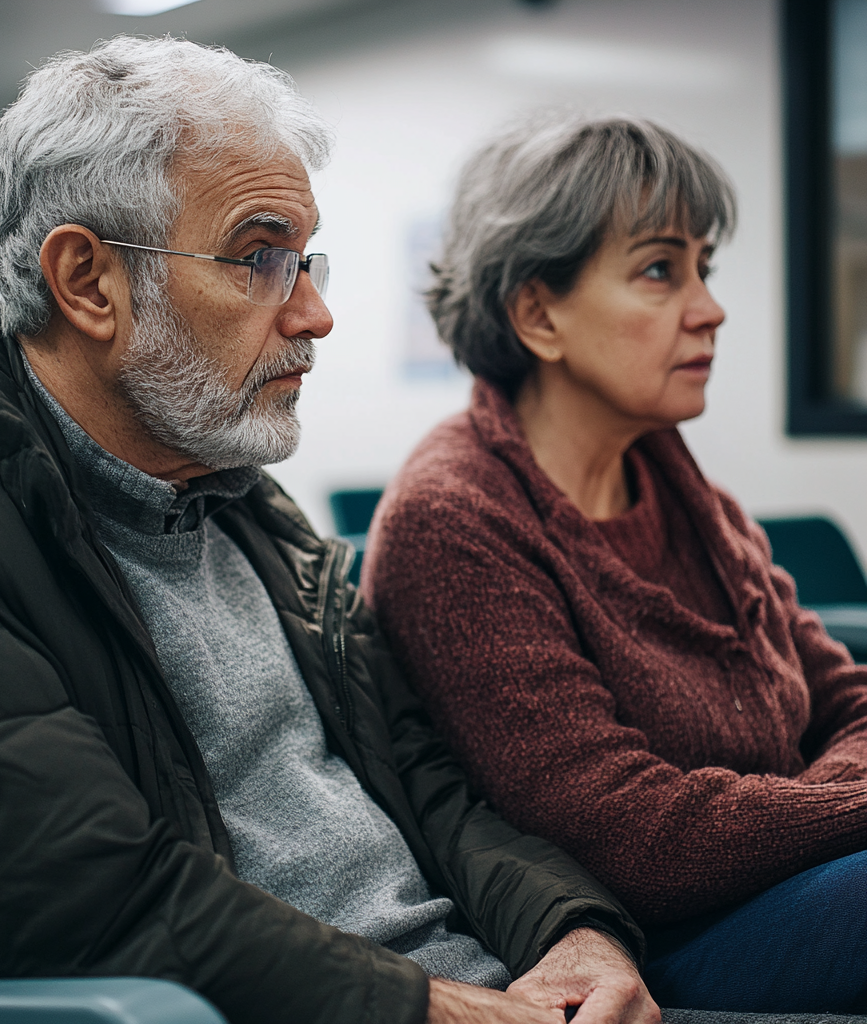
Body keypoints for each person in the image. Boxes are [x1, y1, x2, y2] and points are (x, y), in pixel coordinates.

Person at [0, 40, 659, 1024]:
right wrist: (438, 1009)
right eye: (258, 258)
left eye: (305, 259)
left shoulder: (242, 502)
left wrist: (573, 930)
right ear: (88, 283)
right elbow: (96, 904)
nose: (313, 313)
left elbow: (431, 788)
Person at [361, 116, 867, 1015]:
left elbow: (848, 699)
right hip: (635, 947)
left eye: (703, 267)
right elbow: (637, 840)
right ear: (537, 313)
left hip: (800, 878)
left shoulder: (680, 487)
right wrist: (839, 802)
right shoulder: (453, 518)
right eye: (660, 270)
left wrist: (821, 798)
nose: (709, 307)